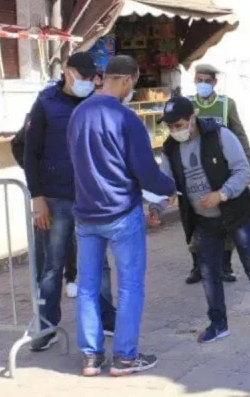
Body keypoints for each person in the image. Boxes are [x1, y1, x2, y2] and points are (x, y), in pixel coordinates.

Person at [68, 55, 176, 377]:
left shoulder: (78, 113)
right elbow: (146, 172)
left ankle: (91, 357)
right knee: (129, 285)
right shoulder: (126, 119)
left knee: (87, 286)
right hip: (120, 214)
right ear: (128, 80)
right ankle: (125, 358)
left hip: (85, 215)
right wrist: (170, 186)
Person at [148, 96, 250, 343]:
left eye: (180, 124)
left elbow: (243, 171)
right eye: (171, 126)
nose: (176, 131)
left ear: (192, 119)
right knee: (209, 274)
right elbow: (169, 185)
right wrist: (156, 207)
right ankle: (218, 324)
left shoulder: (219, 135)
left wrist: (222, 194)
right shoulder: (170, 149)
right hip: (203, 221)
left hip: (235, 214)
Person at [23, 53, 116, 352]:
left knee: (99, 263)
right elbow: (29, 153)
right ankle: (47, 326)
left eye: (92, 77)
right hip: (56, 198)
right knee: (51, 266)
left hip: (92, 199)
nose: (87, 82)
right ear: (66, 71)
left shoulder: (95, 102)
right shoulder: (45, 104)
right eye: (82, 75)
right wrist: (37, 196)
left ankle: (106, 318)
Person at [186, 63, 250, 284]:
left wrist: (248, 162)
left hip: (221, 171)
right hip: (194, 171)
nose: (202, 84)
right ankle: (197, 266)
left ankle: (225, 265)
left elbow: (239, 134)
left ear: (214, 82)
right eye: (199, 80)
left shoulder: (226, 105)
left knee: (227, 219)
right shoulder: (187, 104)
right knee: (194, 219)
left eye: (207, 80)